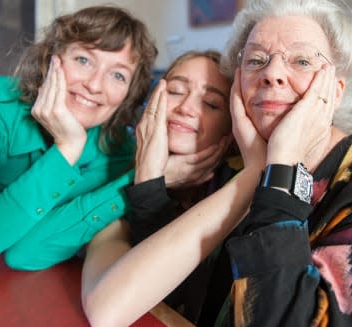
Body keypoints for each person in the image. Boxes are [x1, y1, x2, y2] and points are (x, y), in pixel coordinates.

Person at [81, 0, 352, 326]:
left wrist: (281, 168)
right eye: (255, 60)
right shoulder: (235, 167)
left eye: (301, 60)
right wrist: (151, 181)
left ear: (335, 90)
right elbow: (178, 288)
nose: (272, 73)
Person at [0, 6, 157, 276]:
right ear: (52, 57)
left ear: (127, 95)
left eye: (118, 75)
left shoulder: (118, 152)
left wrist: (136, 180)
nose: (95, 85)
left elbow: (26, 252)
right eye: (84, 60)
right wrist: (67, 149)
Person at [81, 49, 236, 324]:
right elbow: (115, 304)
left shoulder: (235, 196)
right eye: (175, 91)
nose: (186, 107)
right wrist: (148, 179)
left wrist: (151, 184)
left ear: (231, 131)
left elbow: (188, 302)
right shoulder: (114, 171)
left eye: (211, 103)